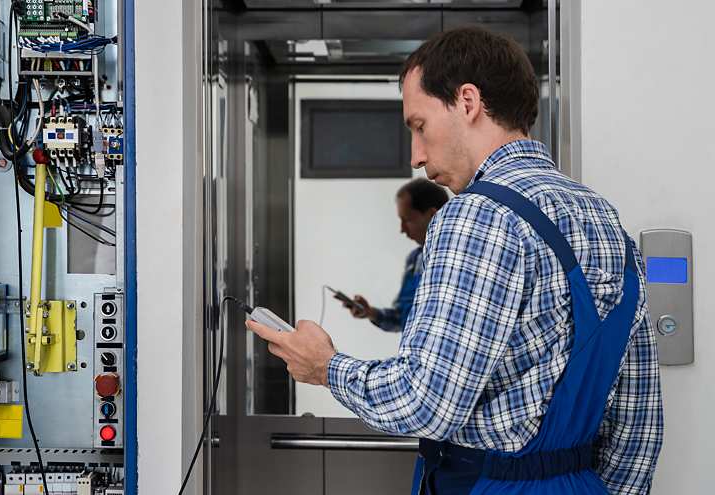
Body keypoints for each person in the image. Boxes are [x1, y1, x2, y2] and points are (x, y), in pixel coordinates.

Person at [247, 26, 663, 495]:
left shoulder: (477, 214)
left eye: (419, 126)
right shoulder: (605, 220)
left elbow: (426, 403)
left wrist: (326, 367)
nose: (415, 156)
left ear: (467, 102)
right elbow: (637, 426)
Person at [345, 178, 448, 332]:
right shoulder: (414, 260)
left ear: (434, 215)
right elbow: (401, 318)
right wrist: (370, 312)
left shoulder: (456, 259)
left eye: (407, 220)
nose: (402, 229)